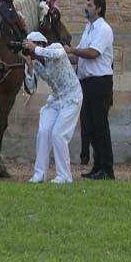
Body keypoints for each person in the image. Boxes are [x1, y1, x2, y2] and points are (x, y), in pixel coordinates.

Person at [23, 32, 83, 184]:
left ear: (40, 44)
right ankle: (39, 174)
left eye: (31, 47)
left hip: (72, 96)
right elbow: (31, 88)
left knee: (58, 134)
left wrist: (35, 49)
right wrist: (29, 68)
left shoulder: (54, 48)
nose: (31, 53)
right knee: (43, 132)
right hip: (56, 99)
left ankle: (64, 176)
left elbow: (60, 53)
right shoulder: (35, 62)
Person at [66, 0, 115, 180]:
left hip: (100, 83)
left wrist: (71, 50)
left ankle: (107, 169)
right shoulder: (88, 28)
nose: (85, 8)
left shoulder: (103, 29)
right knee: (90, 127)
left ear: (99, 9)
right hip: (86, 82)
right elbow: (78, 56)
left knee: (100, 126)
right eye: (86, 4)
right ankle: (97, 167)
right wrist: (60, 57)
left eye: (89, 5)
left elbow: (93, 53)